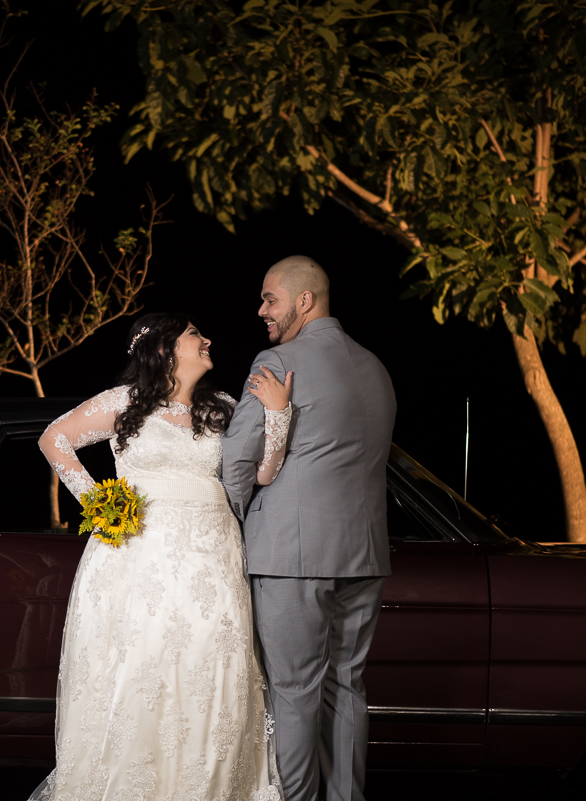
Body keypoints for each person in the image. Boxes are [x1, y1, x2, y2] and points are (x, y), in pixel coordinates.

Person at [33, 312, 291, 801]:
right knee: (141, 667)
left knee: (210, 667)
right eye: (196, 333)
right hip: (137, 556)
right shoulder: (126, 403)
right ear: (162, 349)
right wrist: (99, 503)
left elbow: (262, 473)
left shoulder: (222, 407)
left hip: (212, 558)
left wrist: (278, 414)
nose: (208, 338)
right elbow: (55, 439)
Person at [223, 256, 397, 801]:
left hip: (291, 558)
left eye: (270, 299)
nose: (261, 311)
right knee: (347, 687)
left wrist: (233, 521)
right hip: (365, 555)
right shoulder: (375, 367)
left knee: (294, 692)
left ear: (305, 300)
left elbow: (235, 461)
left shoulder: (278, 361)